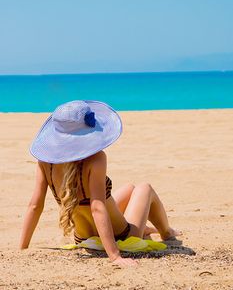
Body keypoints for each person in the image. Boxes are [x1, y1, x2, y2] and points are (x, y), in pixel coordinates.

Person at [19, 100, 181, 267]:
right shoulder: (96, 159)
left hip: (84, 239)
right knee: (144, 188)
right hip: (120, 236)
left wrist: (23, 247)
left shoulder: (46, 161)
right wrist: (115, 256)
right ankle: (167, 232)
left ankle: (146, 228)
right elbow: (97, 207)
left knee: (129, 188)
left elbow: (34, 206)